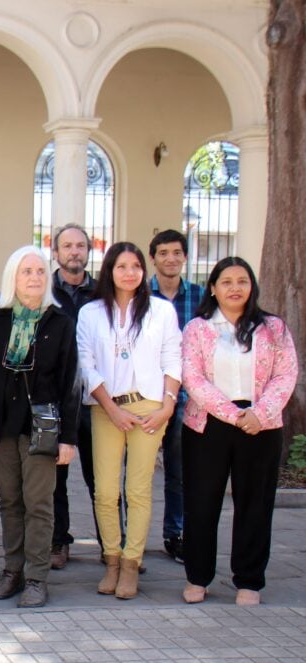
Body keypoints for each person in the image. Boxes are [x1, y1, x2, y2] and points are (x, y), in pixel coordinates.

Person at [180, 257, 297, 606]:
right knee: (202, 503)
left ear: (252, 287)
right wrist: (233, 415)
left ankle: (249, 579)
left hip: (260, 425)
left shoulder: (274, 328)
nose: (234, 288)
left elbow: (286, 374)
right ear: (213, 288)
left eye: (241, 281)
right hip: (208, 424)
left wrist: (258, 413)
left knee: (255, 504)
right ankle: (198, 577)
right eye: (226, 281)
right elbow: (193, 377)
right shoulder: (198, 329)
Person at [0, 246, 79, 608]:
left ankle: (37, 577)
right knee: (9, 502)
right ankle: (12, 571)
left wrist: (69, 438)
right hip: (2, 427)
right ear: (12, 278)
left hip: (43, 427)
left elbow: (70, 384)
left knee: (39, 503)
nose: (34, 277)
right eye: (26, 271)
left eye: (39, 271)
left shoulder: (60, 323)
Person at [77, 242, 181, 600]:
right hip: (107, 408)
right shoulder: (91, 313)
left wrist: (167, 406)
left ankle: (132, 563)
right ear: (110, 270)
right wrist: (111, 408)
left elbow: (173, 358)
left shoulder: (162, 311)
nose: (130, 272)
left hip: (150, 407)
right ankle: (111, 558)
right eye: (122, 266)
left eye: (136, 265)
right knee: (105, 490)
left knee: (137, 490)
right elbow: (85, 363)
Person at [149, 229, 204, 565]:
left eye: (176, 252)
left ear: (185, 257)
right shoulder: (140, 295)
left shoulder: (200, 298)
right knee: (133, 474)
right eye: (163, 252)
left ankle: (176, 533)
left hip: (187, 399)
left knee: (179, 471)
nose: (170, 258)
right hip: (143, 398)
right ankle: (126, 536)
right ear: (153, 257)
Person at [48, 224, 98, 569]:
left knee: (104, 478)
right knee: (55, 478)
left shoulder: (103, 293)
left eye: (80, 245)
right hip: (57, 397)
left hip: (98, 398)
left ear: (89, 251)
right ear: (56, 252)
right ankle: (58, 542)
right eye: (67, 246)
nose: (74, 252)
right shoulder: (45, 289)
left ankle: (114, 543)